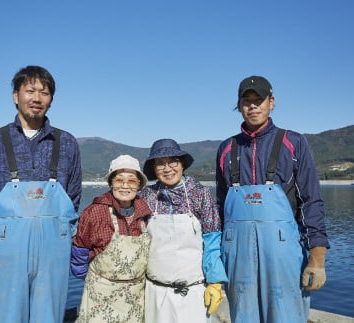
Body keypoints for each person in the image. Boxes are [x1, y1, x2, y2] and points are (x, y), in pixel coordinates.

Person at [0, 65, 82, 323]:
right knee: (3, 316)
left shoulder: (67, 143)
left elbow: (73, 195)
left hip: (54, 247)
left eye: (45, 92)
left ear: (51, 99)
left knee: (49, 316)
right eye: (30, 90)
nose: (37, 98)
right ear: (16, 95)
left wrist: (59, 231)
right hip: (5, 248)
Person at [216, 75, 330, 322]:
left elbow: (311, 202)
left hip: (283, 252)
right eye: (247, 101)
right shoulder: (226, 148)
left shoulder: (294, 142)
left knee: (286, 315)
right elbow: (220, 207)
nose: (253, 106)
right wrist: (214, 262)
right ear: (239, 105)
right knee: (243, 316)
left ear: (272, 102)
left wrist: (317, 258)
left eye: (259, 100)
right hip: (237, 254)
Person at [139, 139, 228, 322]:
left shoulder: (200, 194)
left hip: (194, 291)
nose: (167, 168)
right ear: (154, 168)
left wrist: (215, 282)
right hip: (155, 290)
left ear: (182, 165)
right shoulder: (146, 196)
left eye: (173, 161)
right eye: (160, 163)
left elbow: (212, 239)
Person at [70, 154, 152, 323]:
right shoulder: (94, 212)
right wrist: (92, 281)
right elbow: (79, 249)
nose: (125, 186)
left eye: (131, 181)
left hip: (135, 295)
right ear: (111, 183)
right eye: (119, 180)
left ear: (139, 185)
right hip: (101, 293)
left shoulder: (146, 213)